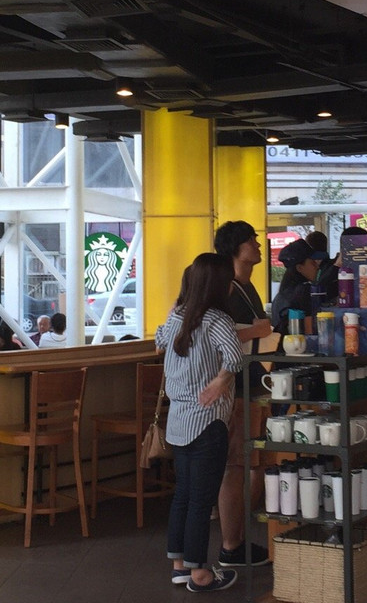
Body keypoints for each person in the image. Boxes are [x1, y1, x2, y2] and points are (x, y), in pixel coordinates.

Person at [155, 253, 244, 592]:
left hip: (178, 421)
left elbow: (159, 342)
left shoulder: (178, 316)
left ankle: (179, 566)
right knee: (201, 500)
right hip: (208, 421)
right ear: (220, 284)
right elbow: (235, 357)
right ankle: (200, 574)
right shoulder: (218, 319)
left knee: (184, 495)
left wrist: (175, 307)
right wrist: (220, 382)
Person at [213, 220, 274, 569]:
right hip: (235, 386)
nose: (258, 245)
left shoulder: (248, 287)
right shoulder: (226, 288)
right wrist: (258, 331)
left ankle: (236, 538)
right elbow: (213, 336)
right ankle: (230, 546)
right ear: (236, 247)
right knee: (235, 467)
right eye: (252, 240)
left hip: (253, 382)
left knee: (248, 464)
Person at [270, 238, 320, 333]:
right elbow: (309, 332)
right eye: (313, 263)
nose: (317, 267)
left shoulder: (281, 295)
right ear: (299, 268)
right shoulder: (304, 291)